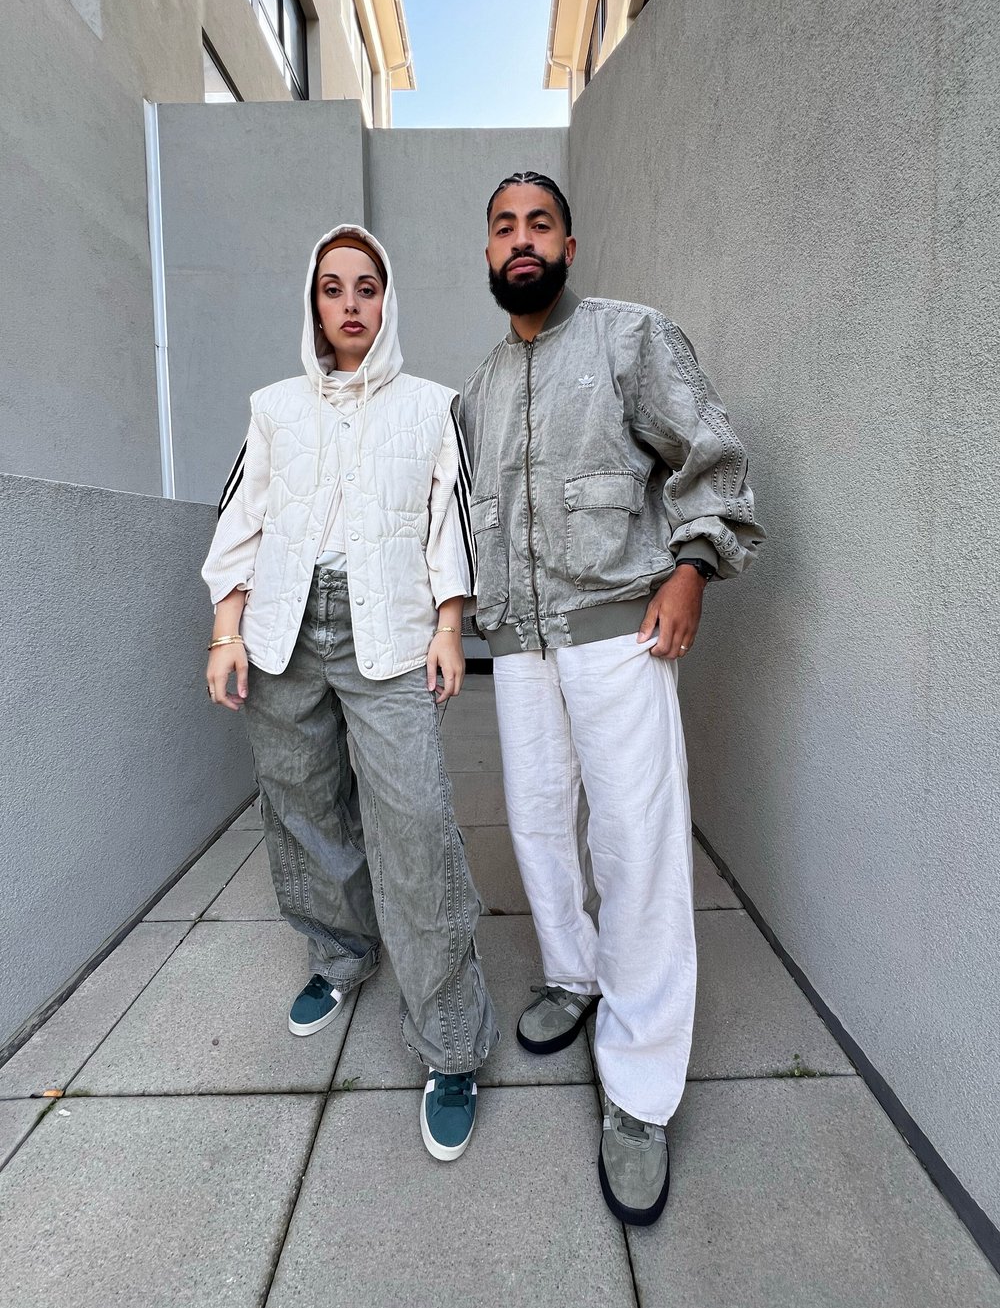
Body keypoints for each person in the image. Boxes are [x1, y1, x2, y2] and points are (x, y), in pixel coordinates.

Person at [461, 173, 763, 1224]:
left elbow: (709, 458)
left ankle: (638, 1088)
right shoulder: (481, 386)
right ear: (488, 253)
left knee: (635, 847)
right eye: (504, 227)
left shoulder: (631, 337)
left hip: (618, 634)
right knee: (540, 826)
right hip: (519, 646)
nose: (522, 239)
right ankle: (572, 974)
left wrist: (692, 569)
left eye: (539, 223)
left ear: (569, 244)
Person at [203, 225, 497, 1162]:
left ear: (387, 297)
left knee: (414, 822)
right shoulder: (274, 407)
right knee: (301, 802)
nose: (350, 304)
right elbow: (241, 517)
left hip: (392, 629)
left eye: (366, 286)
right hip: (283, 627)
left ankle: (450, 1040)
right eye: (333, 288)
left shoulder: (432, 406)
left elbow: (449, 523)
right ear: (314, 303)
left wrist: (449, 626)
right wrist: (226, 630)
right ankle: (341, 952)